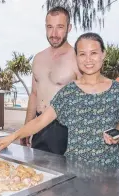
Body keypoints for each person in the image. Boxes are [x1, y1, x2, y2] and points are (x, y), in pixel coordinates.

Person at [0, 32, 119, 168]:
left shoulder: (118, 90)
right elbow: (40, 121)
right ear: (76, 57)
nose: (88, 59)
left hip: (109, 169)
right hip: (75, 170)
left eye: (93, 53)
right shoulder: (68, 92)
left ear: (103, 54)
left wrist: (118, 133)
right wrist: (11, 137)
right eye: (82, 54)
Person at [21, 6, 81, 155]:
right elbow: (34, 94)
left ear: (69, 28)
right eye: (50, 27)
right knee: (38, 172)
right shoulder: (39, 58)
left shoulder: (78, 59)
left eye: (60, 27)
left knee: (66, 175)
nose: (54, 34)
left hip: (64, 128)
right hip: (39, 126)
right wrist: (27, 127)